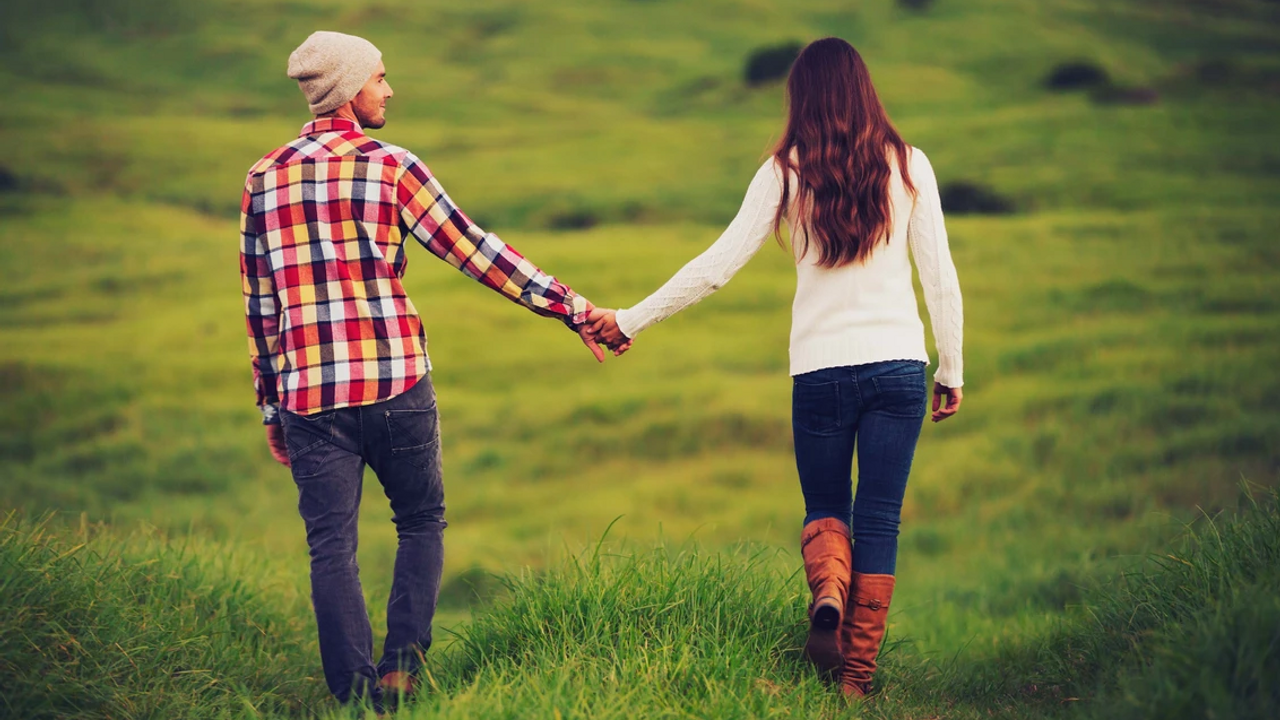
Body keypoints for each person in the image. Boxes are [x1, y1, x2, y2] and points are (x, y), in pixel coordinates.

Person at [238, 31, 606, 708]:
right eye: (380, 77)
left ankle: (352, 698)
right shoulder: (392, 167)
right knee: (420, 520)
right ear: (350, 91)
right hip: (395, 381)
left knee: (331, 548)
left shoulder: (263, 178)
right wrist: (572, 308)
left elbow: (260, 307)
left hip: (309, 398)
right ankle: (402, 671)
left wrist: (271, 404)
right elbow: (476, 252)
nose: (389, 88)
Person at [589, 37, 964, 699]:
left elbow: (714, 269)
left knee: (826, 507)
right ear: (864, 90)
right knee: (879, 518)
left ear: (802, 97)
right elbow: (941, 279)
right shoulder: (910, 165)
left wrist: (627, 319)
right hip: (899, 365)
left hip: (820, 370)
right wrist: (951, 369)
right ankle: (855, 678)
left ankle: (828, 590)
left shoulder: (784, 171)